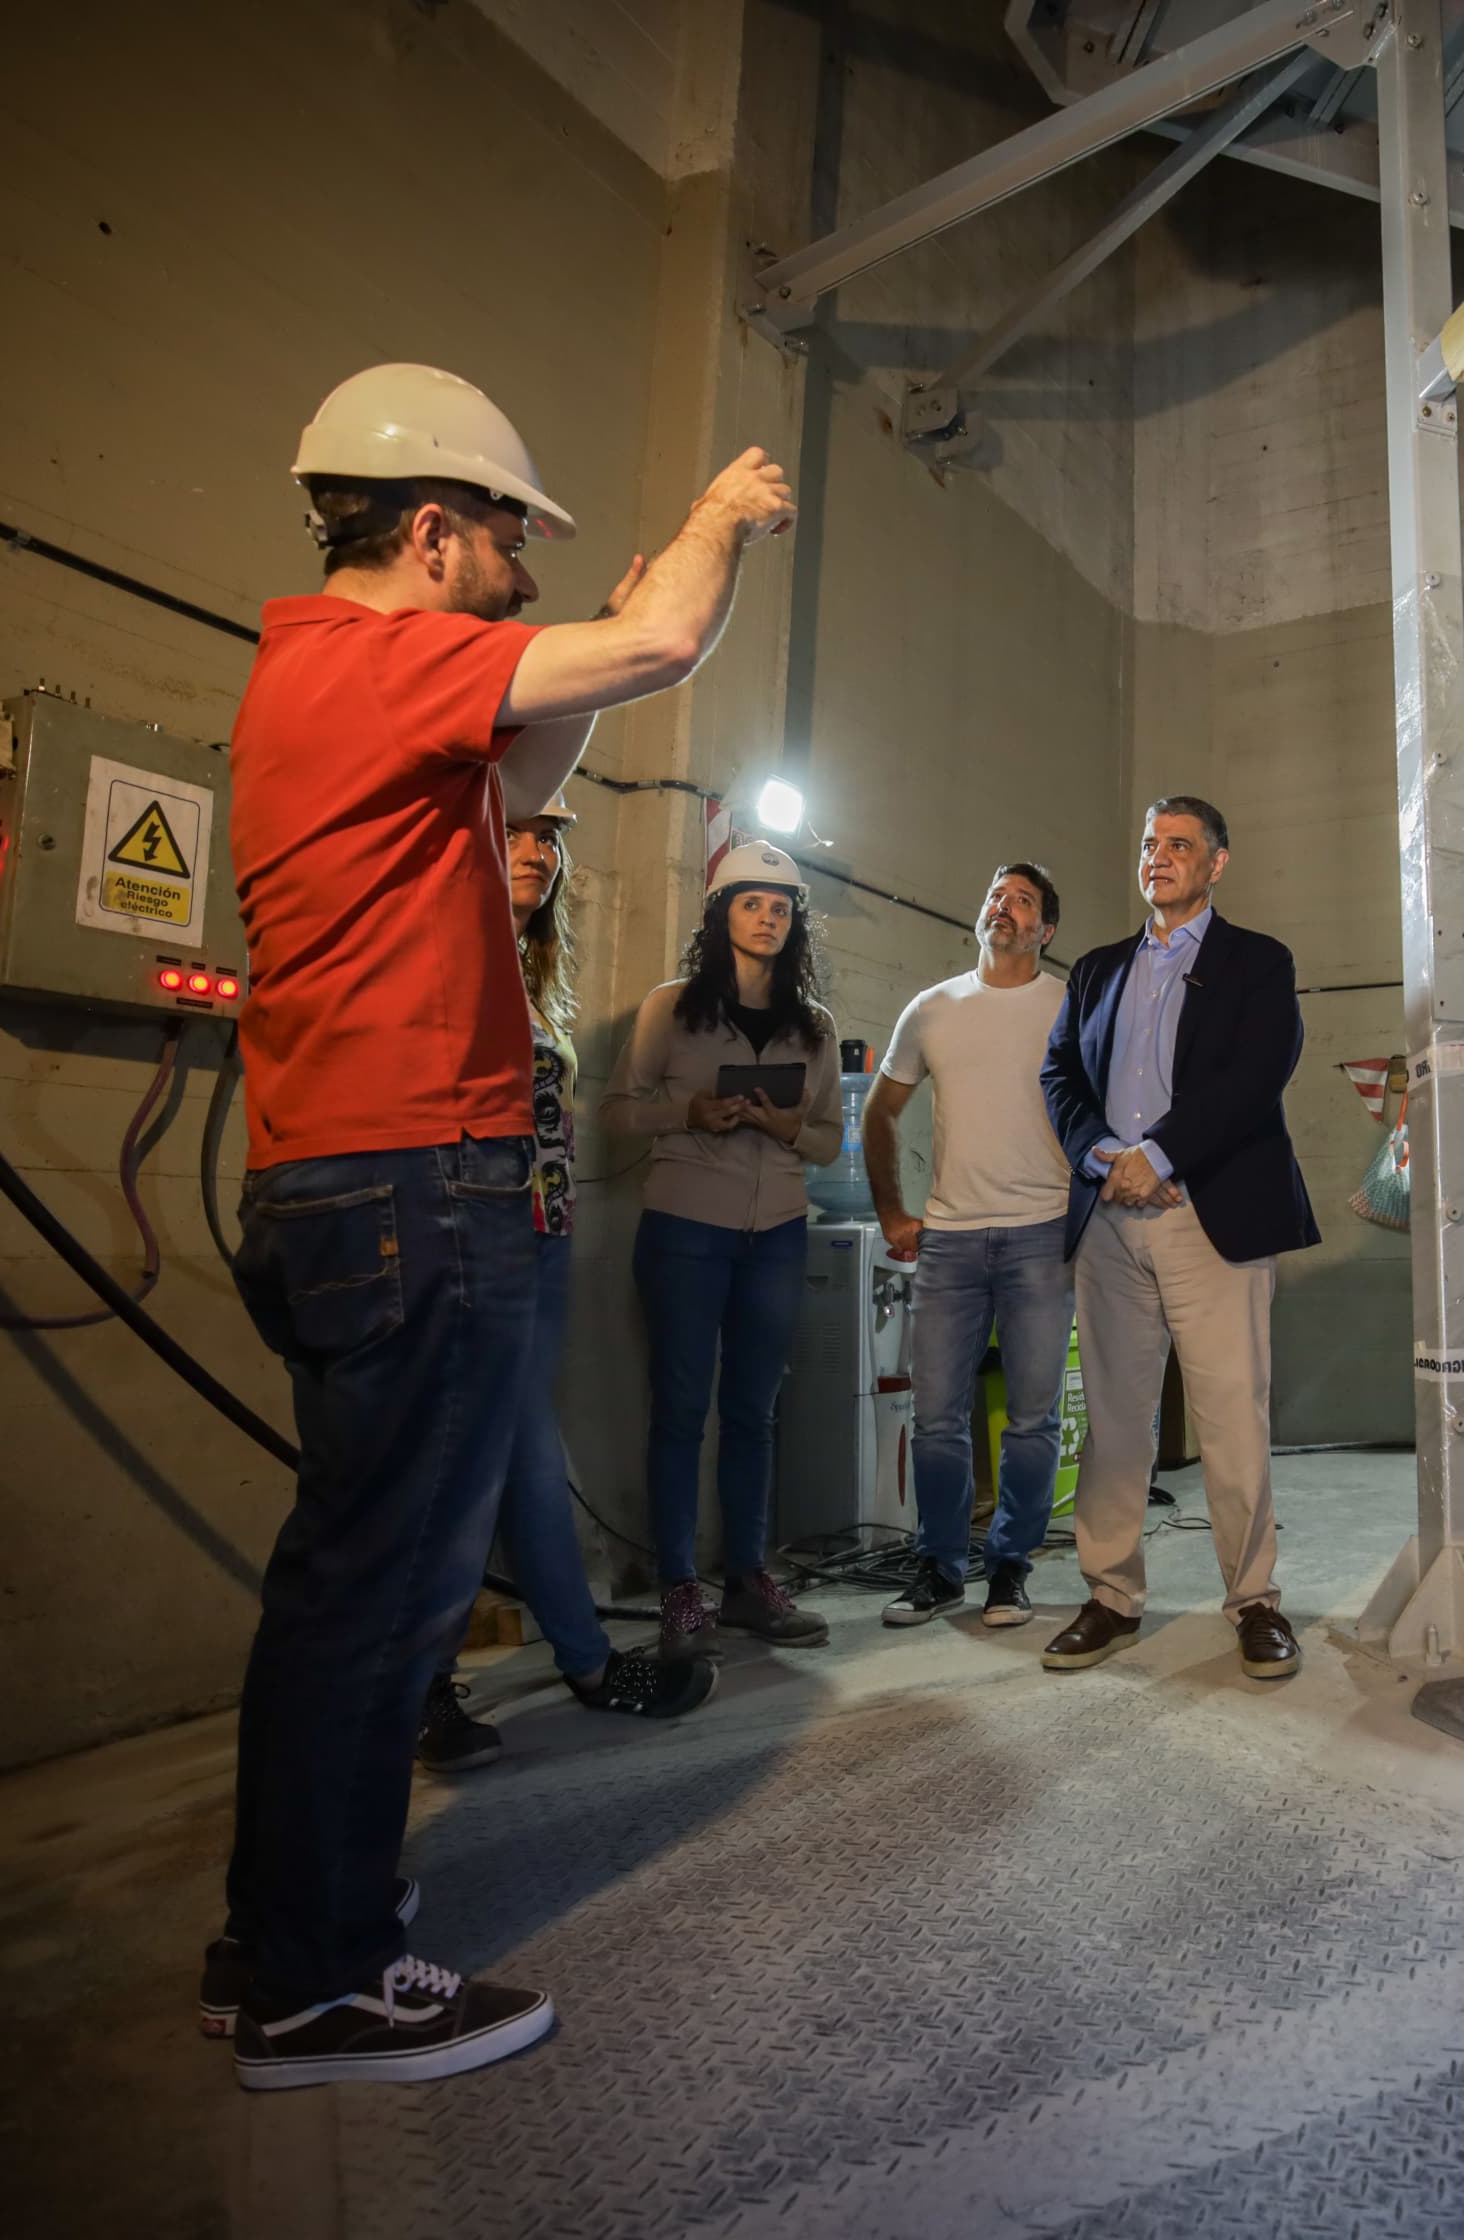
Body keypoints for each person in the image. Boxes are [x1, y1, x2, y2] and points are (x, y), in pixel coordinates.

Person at [213, 361, 791, 2092]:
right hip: (415, 1179)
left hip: (340, 1181)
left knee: (343, 1581)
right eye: (512, 553)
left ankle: (273, 1942)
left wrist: (608, 633)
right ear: (439, 533)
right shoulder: (372, 656)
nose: (530, 581)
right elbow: (664, 650)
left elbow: (531, 761)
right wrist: (713, 527)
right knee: (386, 1596)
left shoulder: (334, 691)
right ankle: (324, 1983)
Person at [414, 786, 724, 1776]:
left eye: (551, 839)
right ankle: (486, 1676)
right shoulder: (438, 949)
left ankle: (557, 1662)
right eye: (523, 830)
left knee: (516, 1463)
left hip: (538, 1237)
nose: (541, 851)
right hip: (469, 1238)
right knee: (492, 1466)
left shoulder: (532, 974)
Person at [1036, 797, 1320, 1681]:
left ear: (1217, 863)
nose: (1159, 858)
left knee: (1233, 1416)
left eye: (1181, 846)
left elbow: (1257, 1074)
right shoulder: (1096, 968)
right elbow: (1060, 1074)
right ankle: (1111, 1596)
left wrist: (1159, 1151)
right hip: (1110, 1220)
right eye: (1152, 845)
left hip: (1209, 1213)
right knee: (1116, 1423)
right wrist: (1101, 1157)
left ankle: (1255, 1602)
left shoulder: (1257, 963)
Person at [601, 838, 845, 1654]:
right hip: (683, 1228)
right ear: (721, 914)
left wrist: (786, 1126)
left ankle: (746, 1578)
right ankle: (679, 1586)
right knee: (679, 1409)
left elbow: (829, 1142)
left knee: (753, 1409)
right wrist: (689, 1113)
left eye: (780, 909)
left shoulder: (814, 1027)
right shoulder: (670, 1007)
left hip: (775, 1230)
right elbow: (617, 1112)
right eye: (752, 904)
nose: (768, 918)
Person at [867, 864, 1074, 1630]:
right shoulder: (932, 1008)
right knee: (937, 1418)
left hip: (1042, 1234)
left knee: (1030, 1418)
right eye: (995, 894)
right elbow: (882, 1112)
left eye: (1022, 900)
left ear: (1045, 930)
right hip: (949, 1240)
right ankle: (939, 1568)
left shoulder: (1069, 1005)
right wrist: (894, 1211)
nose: (1003, 906)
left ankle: (1010, 1568)